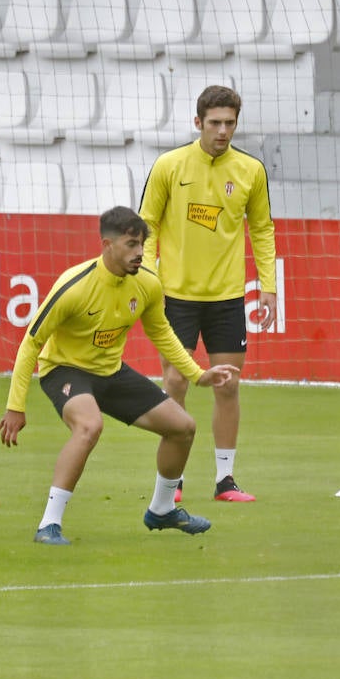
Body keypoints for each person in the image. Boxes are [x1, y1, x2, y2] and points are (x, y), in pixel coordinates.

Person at [0, 207, 240, 545]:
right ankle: (48, 524)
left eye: (141, 244)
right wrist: (15, 406)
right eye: (130, 244)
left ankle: (163, 509)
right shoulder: (74, 286)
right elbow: (30, 344)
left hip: (110, 372)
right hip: (65, 370)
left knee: (183, 427)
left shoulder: (148, 284)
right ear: (107, 244)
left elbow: (162, 333)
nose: (139, 252)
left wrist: (198, 375)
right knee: (89, 426)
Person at [139, 84, 277, 503]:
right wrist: (148, 275)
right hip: (175, 296)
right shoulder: (169, 165)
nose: (222, 131)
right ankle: (172, 481)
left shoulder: (251, 171)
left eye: (230, 123)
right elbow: (147, 226)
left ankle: (225, 480)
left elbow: (263, 230)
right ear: (197, 122)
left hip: (227, 299)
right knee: (176, 381)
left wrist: (268, 286)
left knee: (228, 387)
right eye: (215, 123)